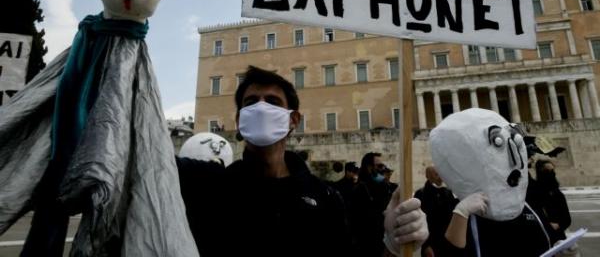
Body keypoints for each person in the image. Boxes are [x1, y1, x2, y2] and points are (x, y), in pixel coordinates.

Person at [177, 66, 428, 256]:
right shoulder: (207, 182)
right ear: (240, 120)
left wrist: (392, 245)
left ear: (293, 120)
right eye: (251, 102)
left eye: (273, 102)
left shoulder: (326, 197)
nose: (261, 109)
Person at [430, 108, 551, 257]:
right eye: (498, 144)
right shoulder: (453, 211)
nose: (516, 162)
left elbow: (544, 243)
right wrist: (461, 214)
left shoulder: (528, 205)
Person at [350, 152, 396, 256]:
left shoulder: (385, 187)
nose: (383, 169)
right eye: (379, 166)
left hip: (386, 243)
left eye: (383, 166)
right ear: (369, 168)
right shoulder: (360, 190)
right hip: (368, 245)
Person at [414, 166, 458, 257]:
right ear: (428, 176)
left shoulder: (447, 193)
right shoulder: (421, 194)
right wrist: (426, 245)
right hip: (431, 245)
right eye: (436, 175)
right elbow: (418, 222)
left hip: (448, 244)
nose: (440, 177)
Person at [535, 159, 572, 245]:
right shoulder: (535, 192)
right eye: (547, 170)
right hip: (541, 238)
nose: (552, 173)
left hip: (557, 238)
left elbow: (567, 219)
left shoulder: (557, 193)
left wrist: (559, 225)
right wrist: (547, 224)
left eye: (552, 170)